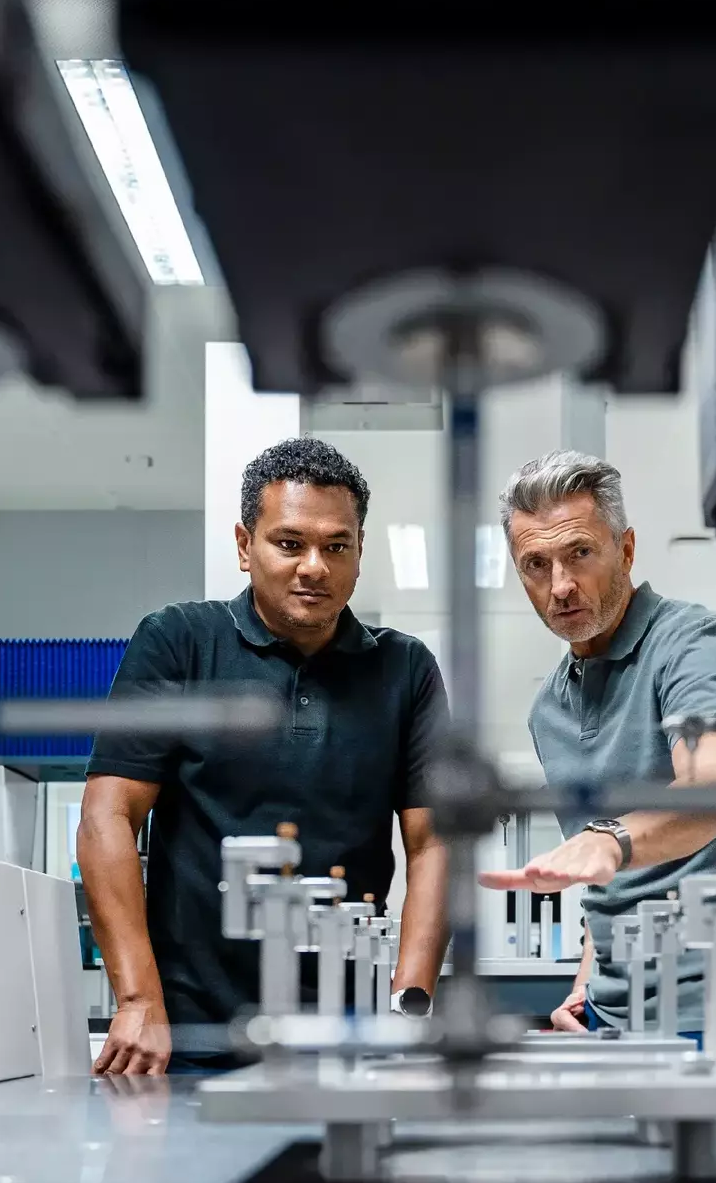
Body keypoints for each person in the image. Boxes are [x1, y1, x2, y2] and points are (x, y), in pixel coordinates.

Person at [79, 437, 450, 1075]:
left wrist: (407, 1007)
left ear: (360, 553)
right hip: (189, 1031)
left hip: (349, 1028)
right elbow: (107, 816)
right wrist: (138, 997)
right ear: (244, 545)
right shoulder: (177, 643)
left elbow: (435, 843)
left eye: (337, 546)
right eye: (289, 543)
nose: (314, 566)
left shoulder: (405, 668)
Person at [479, 450, 716, 1054]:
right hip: (610, 1016)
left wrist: (608, 837)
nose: (560, 585)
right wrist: (585, 983)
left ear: (627, 549)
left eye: (580, 554)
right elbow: (607, 882)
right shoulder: (549, 710)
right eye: (535, 564)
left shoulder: (695, 645)